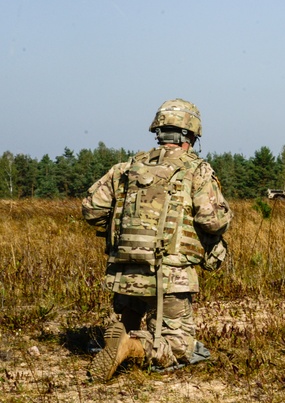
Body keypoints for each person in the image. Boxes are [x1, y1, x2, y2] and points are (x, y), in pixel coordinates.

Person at [82, 99, 232, 381]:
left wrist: (119, 233)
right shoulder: (196, 170)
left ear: (158, 131)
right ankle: (130, 347)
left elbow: (92, 209)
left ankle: (119, 336)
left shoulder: (125, 168)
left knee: (126, 318)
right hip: (171, 274)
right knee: (179, 348)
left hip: (125, 271)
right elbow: (213, 221)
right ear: (190, 135)